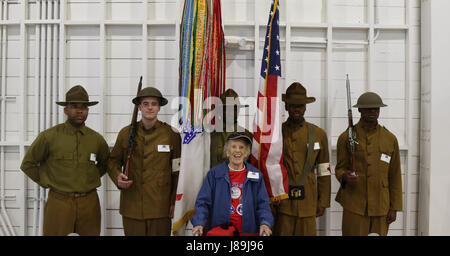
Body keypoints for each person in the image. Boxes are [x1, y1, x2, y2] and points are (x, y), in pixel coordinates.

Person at [20, 85, 110, 236]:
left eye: (84, 106)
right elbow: (28, 164)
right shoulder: (49, 137)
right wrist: (46, 180)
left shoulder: (96, 139)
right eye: (74, 106)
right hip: (59, 202)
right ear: (65, 110)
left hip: (89, 203)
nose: (80, 110)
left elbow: (105, 164)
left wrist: (88, 179)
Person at [107, 87, 181, 236]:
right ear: (139, 107)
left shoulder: (171, 134)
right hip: (132, 205)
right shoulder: (126, 133)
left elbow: (177, 171)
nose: (150, 107)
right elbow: (112, 161)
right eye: (145, 103)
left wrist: (174, 202)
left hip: (160, 206)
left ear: (159, 107)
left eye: (154, 103)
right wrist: (117, 176)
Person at [335, 92, 402, 236]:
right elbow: (339, 168)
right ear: (359, 110)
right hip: (354, 203)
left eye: (376, 108)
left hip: (381, 204)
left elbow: (395, 175)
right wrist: (345, 177)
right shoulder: (346, 137)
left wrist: (394, 207)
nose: (373, 111)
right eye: (368, 108)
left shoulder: (390, 139)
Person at [273, 82, 331, 236]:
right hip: (283, 202)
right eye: (292, 105)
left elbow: (324, 171)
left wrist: (323, 201)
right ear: (286, 107)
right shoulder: (276, 133)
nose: (296, 109)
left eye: (300, 105)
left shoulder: (319, 134)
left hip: (308, 202)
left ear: (305, 107)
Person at [191, 133, 273, 236]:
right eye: (233, 147)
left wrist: (265, 223)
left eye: (242, 147)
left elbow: (263, 204)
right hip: (221, 231)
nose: (238, 150)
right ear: (227, 152)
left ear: (246, 152)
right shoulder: (214, 174)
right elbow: (203, 202)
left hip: (248, 232)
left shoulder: (256, 175)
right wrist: (199, 222)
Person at [209, 88, 252, 168]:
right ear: (221, 111)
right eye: (227, 109)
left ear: (238, 111)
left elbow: (251, 165)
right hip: (215, 178)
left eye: (234, 109)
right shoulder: (211, 135)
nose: (231, 112)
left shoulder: (247, 135)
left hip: (239, 179)